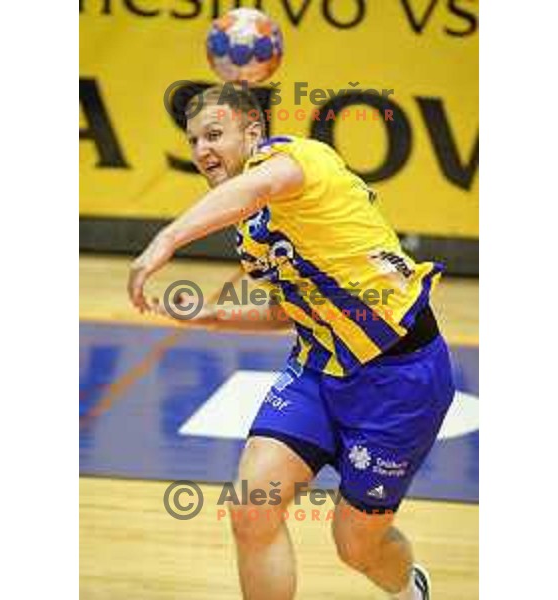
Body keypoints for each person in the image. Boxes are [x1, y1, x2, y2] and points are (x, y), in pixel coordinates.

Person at [127, 85, 454, 600]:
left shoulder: (300, 159)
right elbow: (291, 309)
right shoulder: (252, 229)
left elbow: (257, 187)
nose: (201, 150)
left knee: (356, 547)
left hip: (400, 378)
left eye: (214, 134)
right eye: (193, 140)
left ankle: (410, 589)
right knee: (252, 506)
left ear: (253, 133)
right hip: (318, 367)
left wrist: (165, 240)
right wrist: (215, 316)